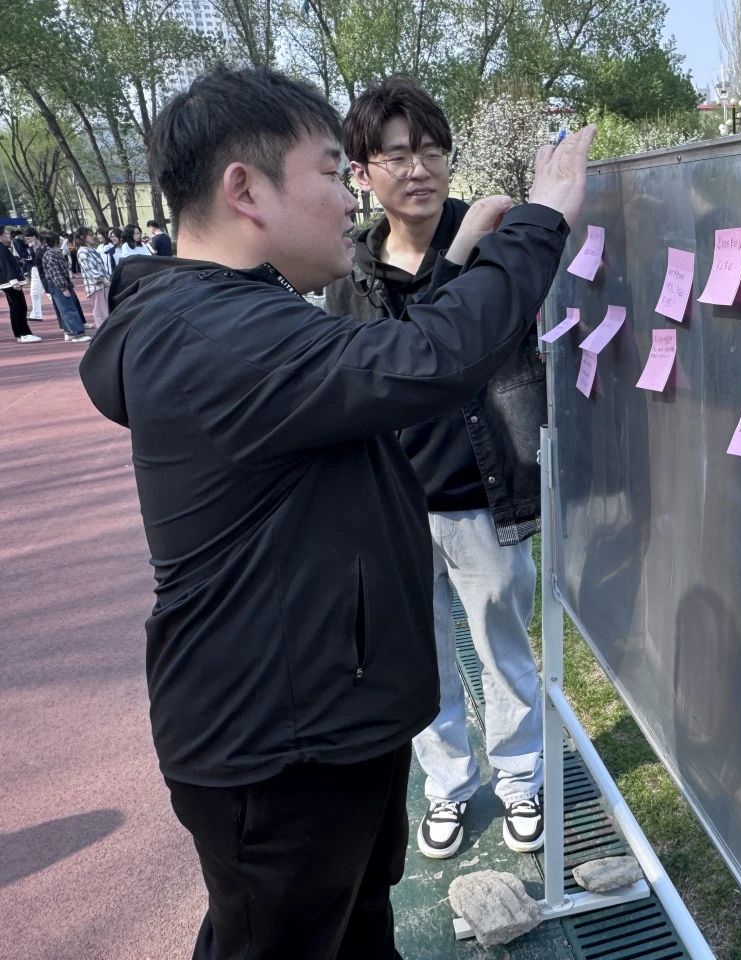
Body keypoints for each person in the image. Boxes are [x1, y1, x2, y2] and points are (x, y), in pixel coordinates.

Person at [78, 64, 592, 960]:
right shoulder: (217, 334)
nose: (349, 198)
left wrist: (457, 259)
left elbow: (382, 352)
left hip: (316, 719)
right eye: (329, 170)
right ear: (246, 190)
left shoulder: (232, 312)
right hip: (279, 745)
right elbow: (427, 360)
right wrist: (543, 218)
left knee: (350, 932)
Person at [326, 75, 547, 862]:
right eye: (397, 155)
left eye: (431, 151)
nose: (418, 169)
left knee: (502, 648)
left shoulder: (496, 243)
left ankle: (521, 779)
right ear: (363, 172)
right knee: (419, 658)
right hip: (391, 505)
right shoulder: (347, 273)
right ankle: (448, 785)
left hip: (484, 493)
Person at [41, 231, 91, 342]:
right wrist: (63, 288)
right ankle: (76, 334)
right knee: (68, 309)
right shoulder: (51, 255)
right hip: (59, 284)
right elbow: (56, 273)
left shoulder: (54, 253)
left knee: (64, 308)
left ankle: (69, 332)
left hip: (59, 283)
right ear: (55, 241)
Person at [1, 227, 42, 342]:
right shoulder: (1, 249)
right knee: (19, 307)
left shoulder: (3, 248)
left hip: (8, 282)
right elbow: (6, 266)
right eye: (6, 233)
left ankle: (19, 333)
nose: (9, 235)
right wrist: (14, 281)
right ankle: (24, 333)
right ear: (1, 236)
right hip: (10, 283)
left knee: (15, 307)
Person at [75, 227, 111, 326]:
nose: (92, 237)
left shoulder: (91, 249)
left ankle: (108, 330)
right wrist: (104, 279)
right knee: (101, 312)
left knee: (106, 312)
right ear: (82, 237)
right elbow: (90, 269)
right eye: (89, 235)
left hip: (103, 285)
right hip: (96, 286)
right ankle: (103, 332)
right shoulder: (82, 251)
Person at [20, 227, 47, 320]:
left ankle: (63, 311)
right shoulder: (31, 246)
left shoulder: (43, 245)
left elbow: (37, 258)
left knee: (50, 292)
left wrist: (32, 248)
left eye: (29, 238)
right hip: (35, 270)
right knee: (34, 293)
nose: (28, 241)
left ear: (34, 236)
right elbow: (31, 259)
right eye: (26, 239)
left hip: (43, 270)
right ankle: (36, 314)